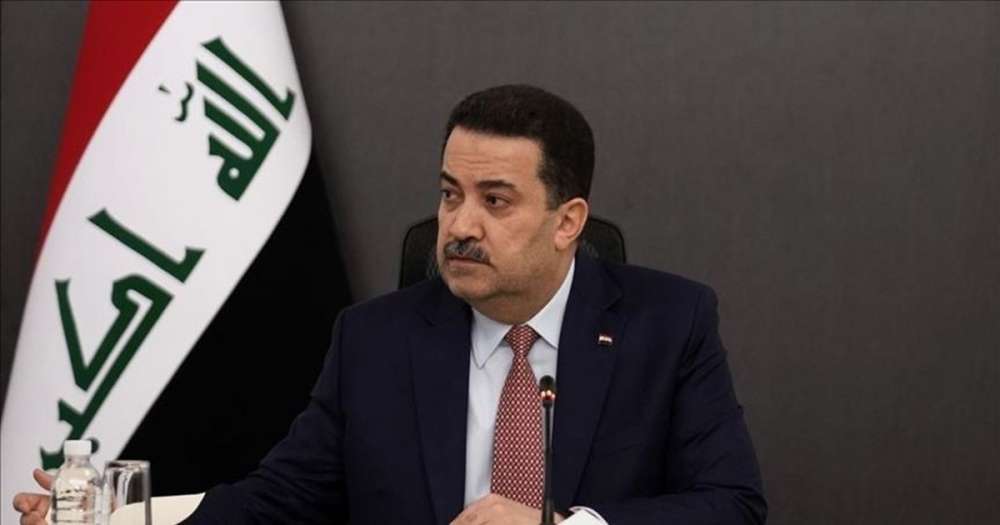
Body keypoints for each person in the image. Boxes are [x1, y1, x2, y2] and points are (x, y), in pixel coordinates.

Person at [14, 85, 766, 524]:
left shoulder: (669, 324)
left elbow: (731, 504)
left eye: (495, 201)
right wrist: (122, 516)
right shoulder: (375, 340)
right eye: (450, 194)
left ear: (568, 221)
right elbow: (277, 500)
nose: (460, 226)